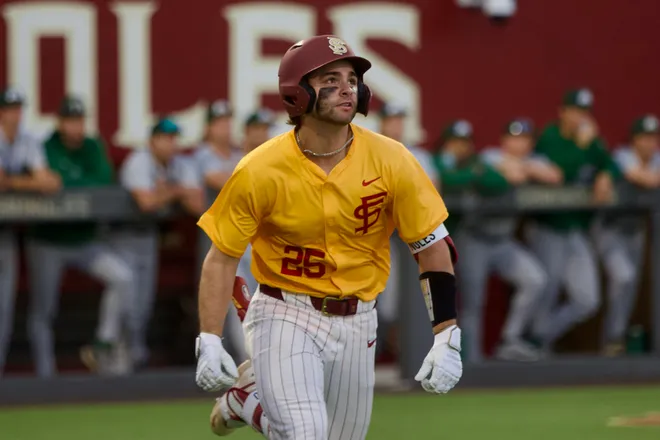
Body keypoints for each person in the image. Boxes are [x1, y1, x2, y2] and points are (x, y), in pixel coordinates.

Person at [194, 35, 463, 440]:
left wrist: (447, 334)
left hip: (358, 319)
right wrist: (210, 339)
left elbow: (433, 248)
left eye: (352, 79)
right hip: (285, 310)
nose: (346, 88)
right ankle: (251, 399)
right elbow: (221, 256)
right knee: (307, 433)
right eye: (330, 79)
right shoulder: (259, 169)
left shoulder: (392, 158)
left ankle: (246, 400)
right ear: (296, 92)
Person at [26, 95, 134, 377]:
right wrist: (61, 184)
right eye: (70, 120)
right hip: (48, 241)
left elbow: (102, 180)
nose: (75, 126)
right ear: (60, 122)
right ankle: (44, 375)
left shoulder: (92, 146)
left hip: (86, 240)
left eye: (79, 120)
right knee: (44, 310)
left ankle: (103, 341)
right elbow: (43, 181)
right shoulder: (45, 146)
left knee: (122, 277)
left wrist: (68, 183)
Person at [525, 88, 618, 355]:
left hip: (575, 229)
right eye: (575, 111)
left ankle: (538, 339)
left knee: (588, 299)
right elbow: (561, 173)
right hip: (548, 227)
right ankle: (534, 351)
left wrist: (606, 175)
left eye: (584, 112)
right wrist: (583, 146)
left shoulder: (590, 140)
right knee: (547, 291)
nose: (580, 117)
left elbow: (610, 164)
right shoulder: (551, 137)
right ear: (562, 112)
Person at [467, 118, 561, 362]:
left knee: (535, 279)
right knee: (473, 301)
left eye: (525, 139)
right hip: (474, 238)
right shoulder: (489, 155)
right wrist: (523, 169)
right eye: (515, 138)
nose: (519, 144)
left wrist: (527, 167)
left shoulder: (533, 161)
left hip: (503, 242)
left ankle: (510, 339)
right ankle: (471, 361)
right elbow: (510, 173)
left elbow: (554, 176)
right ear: (505, 140)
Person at [115, 117, 204, 367]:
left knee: (142, 304)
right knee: (127, 301)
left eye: (173, 138)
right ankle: (117, 356)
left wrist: (165, 192)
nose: (170, 144)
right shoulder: (139, 161)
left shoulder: (179, 164)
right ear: (152, 141)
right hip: (121, 236)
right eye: (165, 138)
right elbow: (146, 202)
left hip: (149, 237)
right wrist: (175, 192)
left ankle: (132, 358)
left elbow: (197, 205)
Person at [0, 87, 61, 376]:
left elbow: (47, 181)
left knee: (4, 311)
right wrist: (25, 182)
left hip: (6, 234)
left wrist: (16, 182)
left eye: (18, 108)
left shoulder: (27, 140)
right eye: (9, 109)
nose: (15, 114)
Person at [376, 102, 440, 363]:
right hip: (377, 238)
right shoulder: (369, 152)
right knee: (385, 303)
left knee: (414, 300)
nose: (396, 125)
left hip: (413, 239)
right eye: (391, 120)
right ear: (382, 123)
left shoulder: (418, 156)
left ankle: (409, 357)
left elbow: (434, 193)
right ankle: (376, 354)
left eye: (399, 120)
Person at [593, 114, 660, 356]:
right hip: (610, 229)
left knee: (630, 285)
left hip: (636, 232)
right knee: (623, 276)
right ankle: (612, 337)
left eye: (653, 138)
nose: (649, 143)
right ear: (634, 140)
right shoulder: (622, 155)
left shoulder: (656, 159)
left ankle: (615, 340)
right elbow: (642, 177)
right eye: (644, 138)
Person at [193, 102, 254, 362]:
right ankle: (244, 364)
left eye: (228, 121)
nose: (225, 127)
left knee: (255, 304)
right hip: (217, 243)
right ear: (208, 127)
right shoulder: (202, 155)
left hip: (248, 240)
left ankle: (251, 365)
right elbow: (220, 180)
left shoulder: (239, 153)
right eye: (219, 122)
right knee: (232, 306)